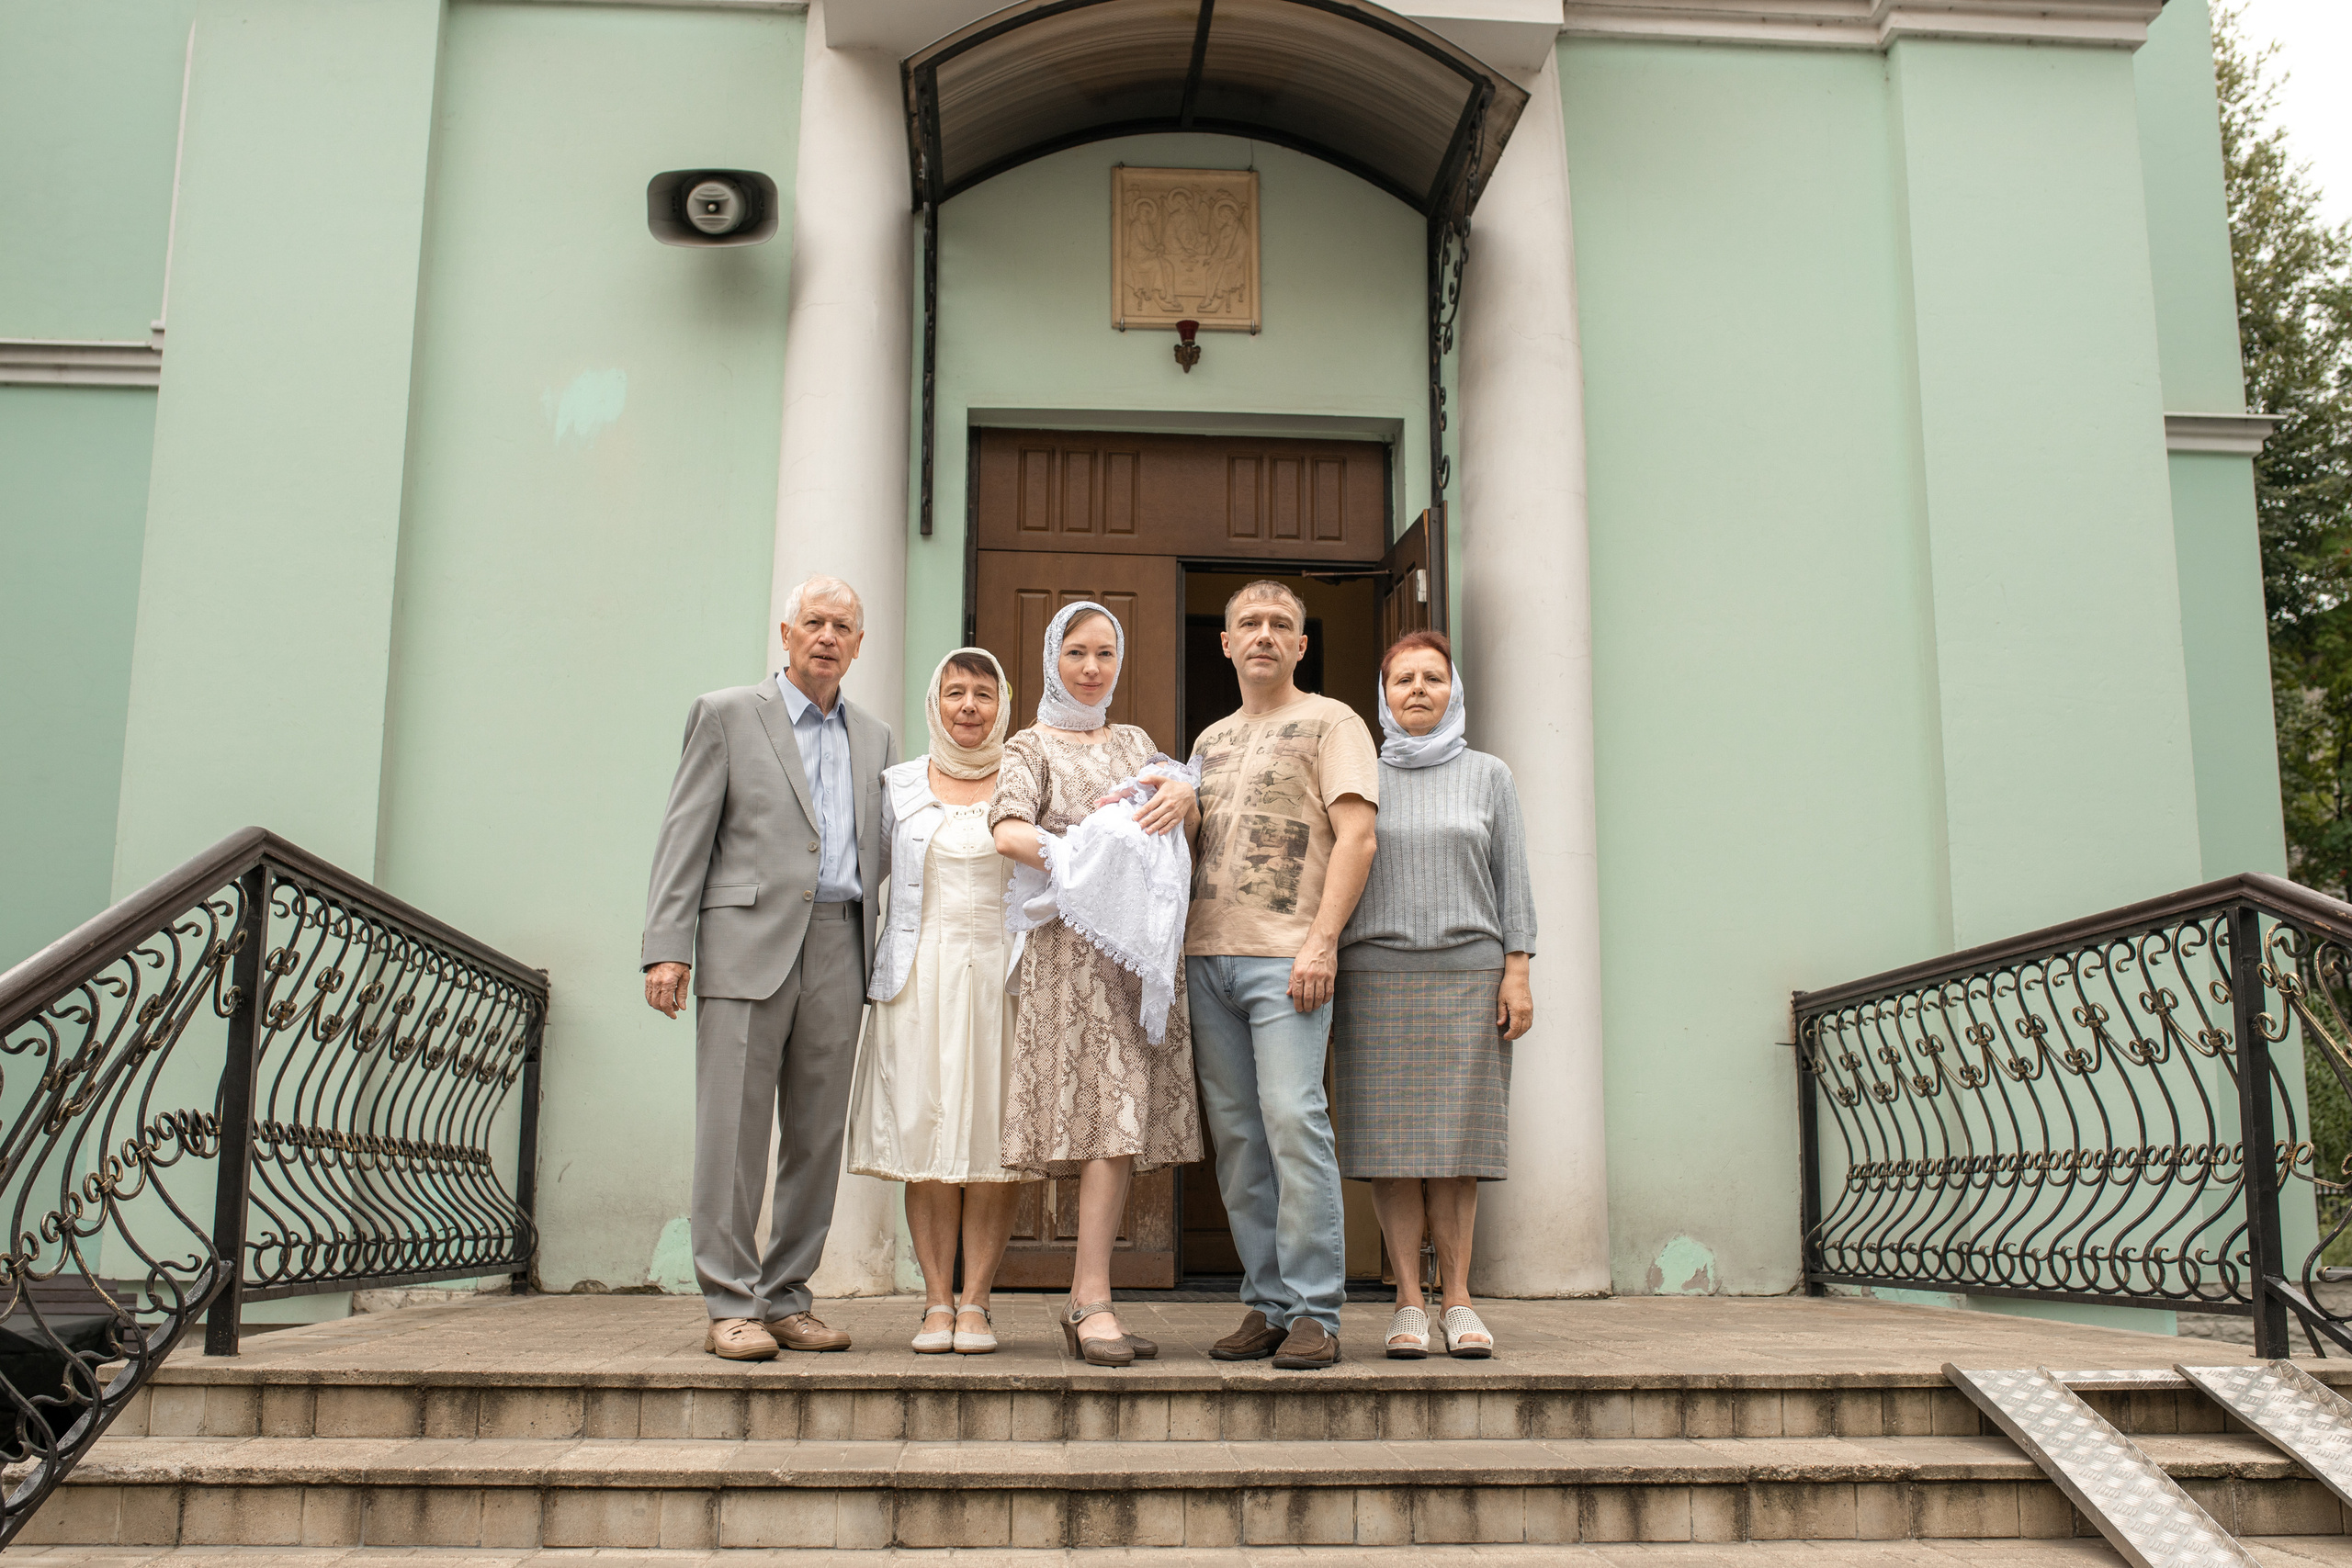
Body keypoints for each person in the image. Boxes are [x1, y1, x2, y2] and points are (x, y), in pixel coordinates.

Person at [639, 575, 896, 1361]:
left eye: (842, 625)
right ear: (785, 635)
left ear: (859, 643)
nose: (827, 635)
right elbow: (687, 833)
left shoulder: (878, 737)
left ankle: (786, 1297)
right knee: (734, 1130)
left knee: (816, 1137)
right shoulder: (724, 714)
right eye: (812, 622)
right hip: (744, 944)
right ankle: (728, 1301)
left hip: (839, 942)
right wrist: (665, 946)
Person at [989, 602, 1204, 1367]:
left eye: (1104, 653)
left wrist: (1187, 796)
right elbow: (1007, 829)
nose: (1091, 667)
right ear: (1053, 658)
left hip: (1133, 955)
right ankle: (1092, 1303)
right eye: (1076, 652)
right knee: (1098, 1115)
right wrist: (1086, 850)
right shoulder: (1028, 744)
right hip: (1071, 952)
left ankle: (1090, 1297)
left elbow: (1173, 803)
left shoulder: (1136, 741)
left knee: (1119, 1117)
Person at [1185, 581, 1378, 1371]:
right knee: (1237, 1138)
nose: (1264, 635)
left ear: (1302, 645)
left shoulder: (1334, 721)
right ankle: (1265, 1303)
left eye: (1281, 625)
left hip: (1288, 958)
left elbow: (1358, 836)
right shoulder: (1206, 740)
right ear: (1224, 644)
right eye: (1249, 625)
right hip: (1206, 957)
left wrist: (1322, 943)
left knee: (1294, 1121)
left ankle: (1315, 1311)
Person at [1333, 630, 1535, 1359]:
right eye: (1402, 679)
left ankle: (1459, 1297)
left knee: (1456, 1148)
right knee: (1392, 1149)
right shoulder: (1358, 773)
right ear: (1382, 696)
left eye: (1432, 678)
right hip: (1375, 974)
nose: (1418, 689)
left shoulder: (1489, 775)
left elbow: (1514, 875)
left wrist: (1518, 968)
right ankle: (1407, 1303)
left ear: (1454, 691)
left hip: (1468, 973)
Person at [846, 648, 1024, 1355]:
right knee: (925, 1136)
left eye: (984, 692)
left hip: (999, 980)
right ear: (935, 702)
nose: (970, 706)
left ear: (1002, 703)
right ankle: (935, 1302)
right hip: (916, 977)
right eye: (956, 692)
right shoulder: (895, 786)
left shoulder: (1024, 778)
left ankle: (977, 1301)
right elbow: (859, 882)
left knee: (992, 1141)